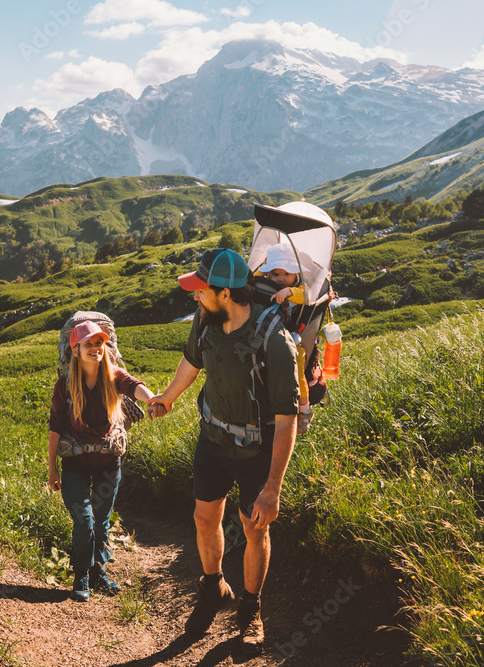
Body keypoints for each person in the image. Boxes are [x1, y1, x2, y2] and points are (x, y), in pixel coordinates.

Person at [149, 248, 299, 653]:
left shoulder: (276, 342)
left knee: (254, 527)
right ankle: (213, 587)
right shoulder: (206, 319)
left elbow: (287, 422)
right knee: (204, 515)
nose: (195, 297)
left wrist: (273, 488)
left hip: (257, 449)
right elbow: (191, 362)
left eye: (201, 291)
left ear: (226, 294)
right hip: (212, 438)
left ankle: (251, 610)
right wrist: (168, 397)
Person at [47, 320, 156, 602]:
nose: (95, 348)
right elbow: (56, 426)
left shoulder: (113, 375)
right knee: (84, 520)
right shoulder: (66, 385)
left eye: (99, 343)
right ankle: (81, 573)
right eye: (88, 344)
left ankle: (97, 571)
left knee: (101, 520)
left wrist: (153, 398)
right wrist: (51, 468)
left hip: (108, 461)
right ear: (76, 349)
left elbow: (134, 387)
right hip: (75, 463)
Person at [254, 242, 312, 432]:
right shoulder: (265, 284)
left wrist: (289, 292)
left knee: (298, 370)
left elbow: (307, 296)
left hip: (292, 338)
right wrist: (262, 269)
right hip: (269, 335)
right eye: (275, 274)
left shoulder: (298, 287)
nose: (281, 279)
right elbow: (252, 280)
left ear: (295, 274)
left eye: (286, 274)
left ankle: (304, 409)